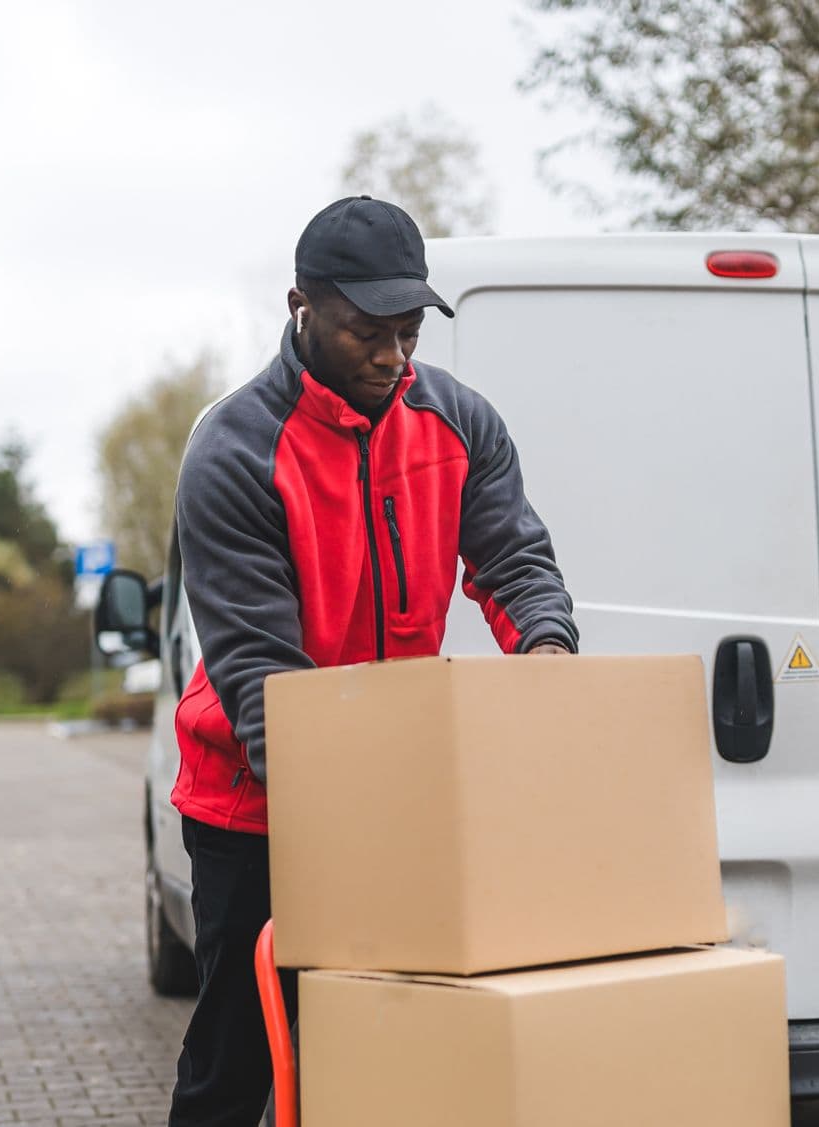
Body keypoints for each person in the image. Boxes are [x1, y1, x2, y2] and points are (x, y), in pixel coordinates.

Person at [167, 195, 578, 1127]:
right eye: (367, 333)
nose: (393, 357)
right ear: (301, 307)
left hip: (397, 791)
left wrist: (546, 653)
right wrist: (356, 826)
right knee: (239, 1059)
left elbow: (514, 560)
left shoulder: (458, 422)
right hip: (256, 805)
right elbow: (265, 678)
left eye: (407, 331)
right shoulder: (234, 452)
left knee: (380, 1054)